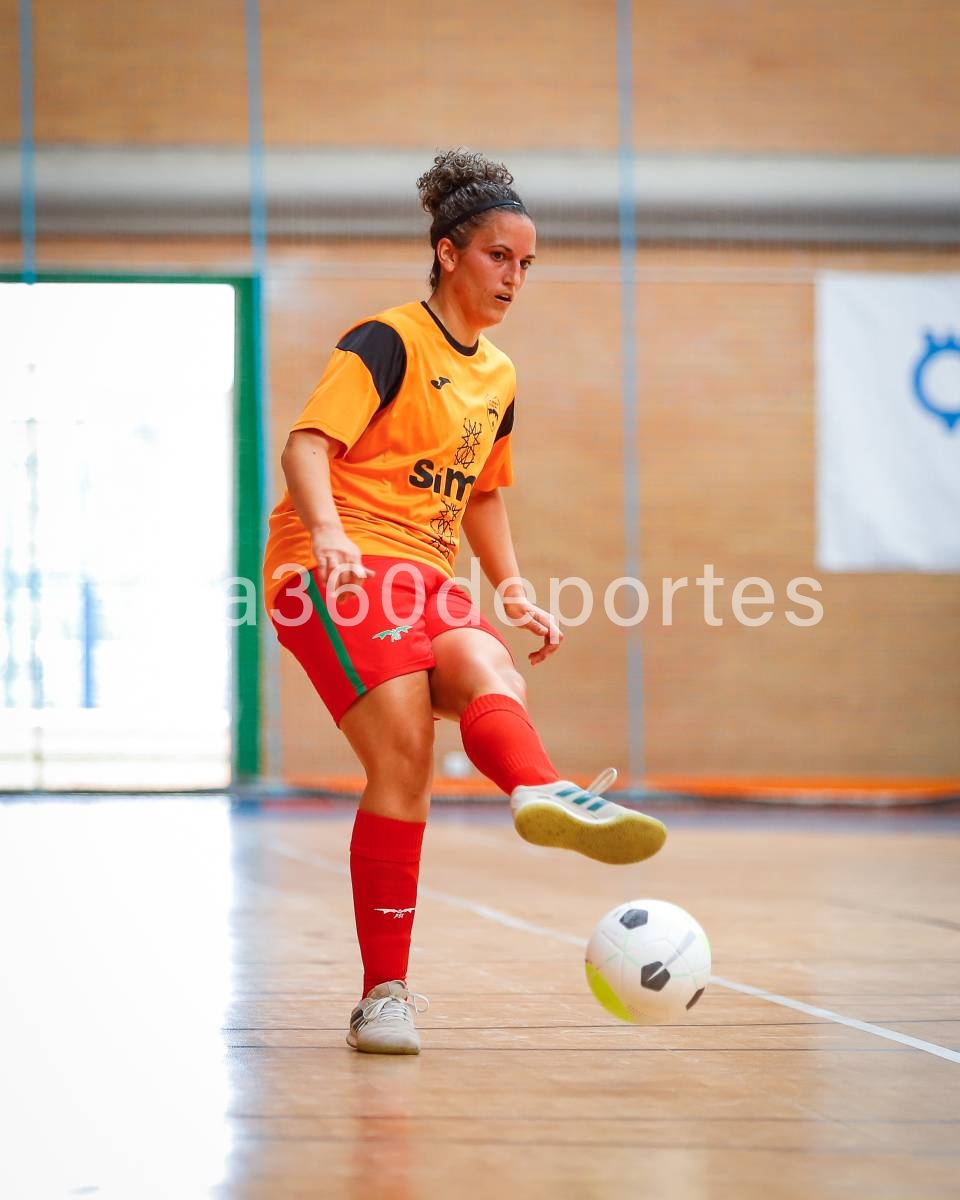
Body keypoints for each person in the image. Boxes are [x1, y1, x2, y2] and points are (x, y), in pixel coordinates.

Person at [262, 149, 667, 1056]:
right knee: (404, 761)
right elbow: (304, 445)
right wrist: (327, 533)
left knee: (489, 662)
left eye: (527, 264)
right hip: (333, 567)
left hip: (426, 572)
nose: (515, 277)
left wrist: (513, 586)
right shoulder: (386, 340)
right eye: (498, 257)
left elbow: (482, 491)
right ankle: (384, 997)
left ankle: (540, 790)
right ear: (449, 253)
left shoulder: (499, 375)